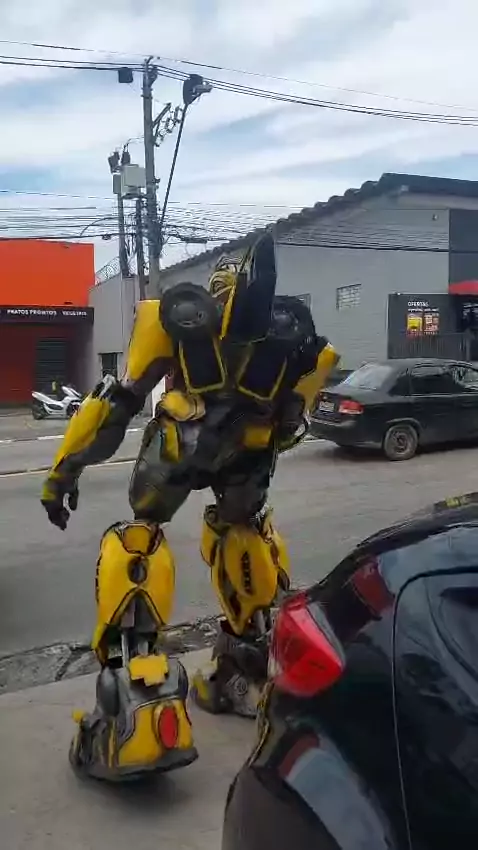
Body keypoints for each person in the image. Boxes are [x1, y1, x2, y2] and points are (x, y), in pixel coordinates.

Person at [40, 231, 339, 782]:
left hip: (183, 443)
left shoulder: (172, 323)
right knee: (242, 531)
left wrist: (64, 472)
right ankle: (250, 669)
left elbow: (115, 404)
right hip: (251, 449)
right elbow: (294, 422)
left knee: (141, 538)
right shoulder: (295, 347)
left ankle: (139, 702)